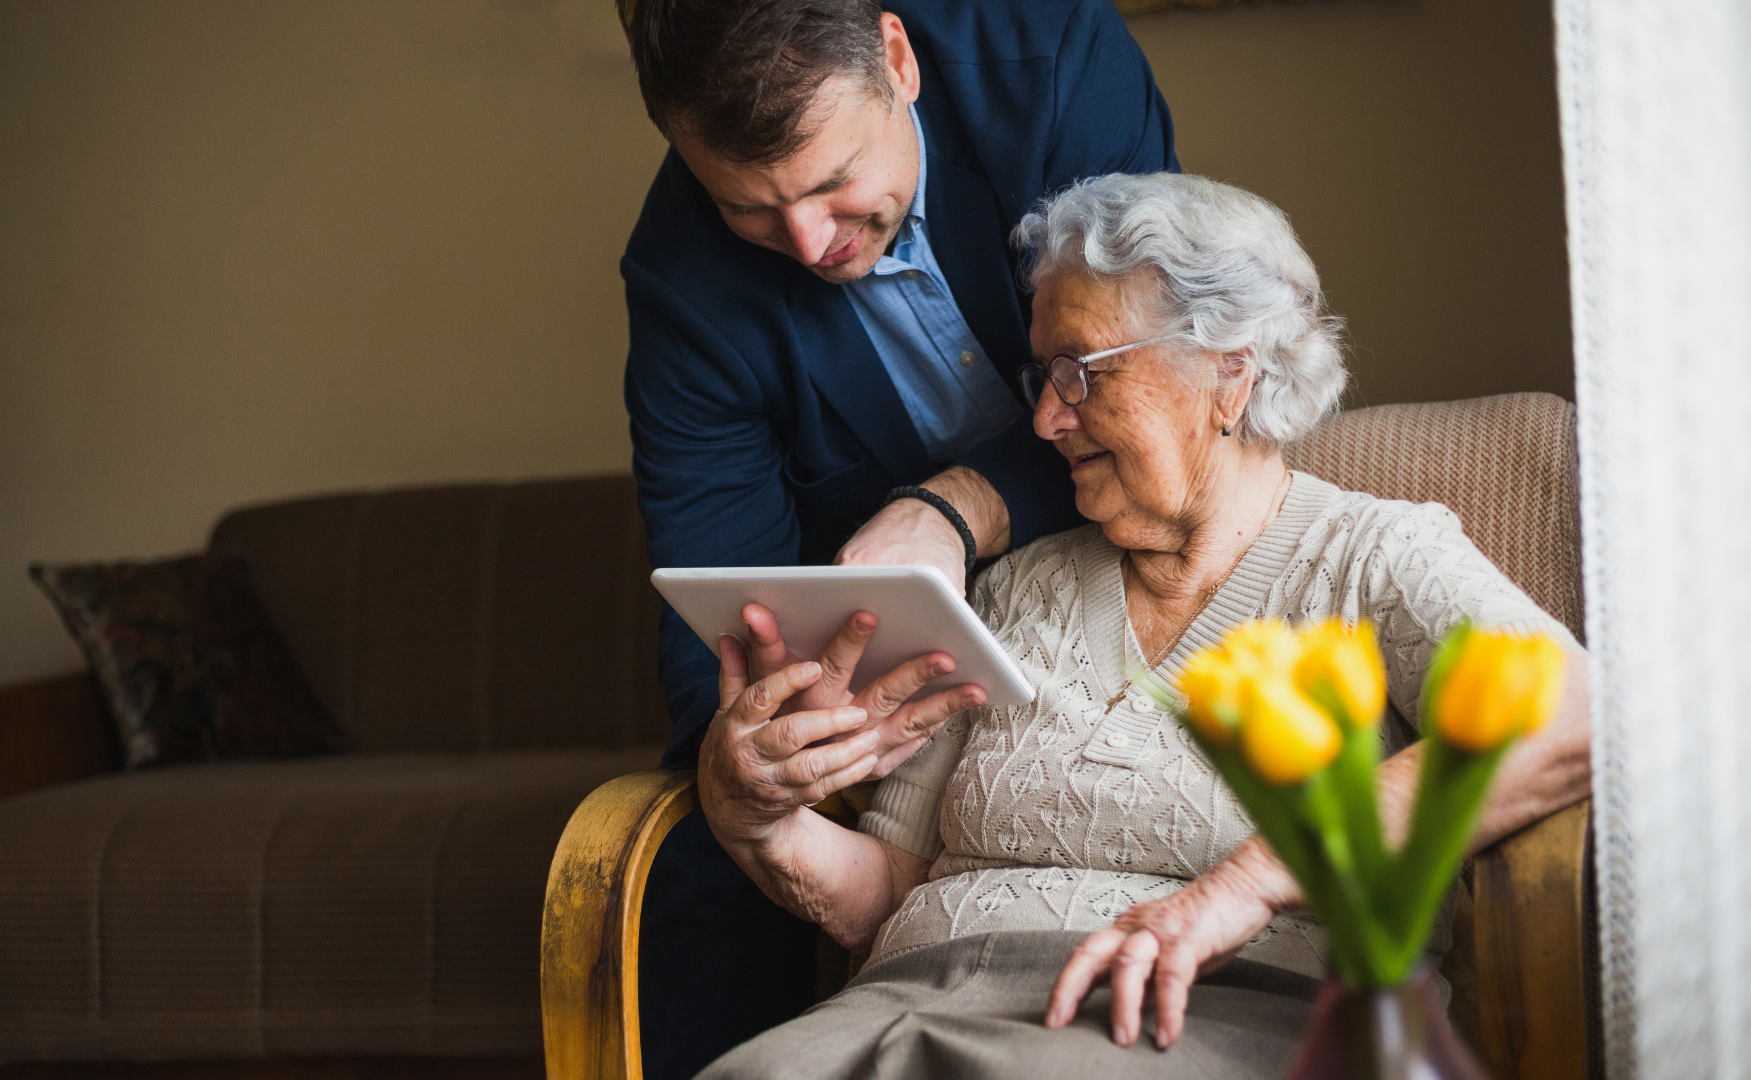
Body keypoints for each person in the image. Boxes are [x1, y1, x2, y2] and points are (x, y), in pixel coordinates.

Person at [690, 172, 1594, 1078]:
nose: (1045, 420)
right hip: (908, 1010)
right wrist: (757, 819)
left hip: (1202, 1023)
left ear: (1229, 371)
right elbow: (890, 890)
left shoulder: (1376, 560)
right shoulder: (1013, 588)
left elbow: (1576, 710)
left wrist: (1243, 887)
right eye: (1043, 377)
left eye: (1081, 371)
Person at [616, 1, 1178, 1073]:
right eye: (749, 207)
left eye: (833, 183)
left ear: (897, 57)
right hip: (894, 673)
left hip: (1127, 556)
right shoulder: (680, 283)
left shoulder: (1052, 65)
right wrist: (753, 758)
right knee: (700, 861)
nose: (810, 244)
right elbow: (715, 601)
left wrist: (959, 506)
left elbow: (1153, 378)